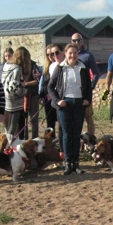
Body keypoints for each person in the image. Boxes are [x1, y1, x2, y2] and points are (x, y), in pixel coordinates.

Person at [48, 43, 92, 175]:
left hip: (79, 103)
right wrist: (58, 101)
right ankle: (68, 163)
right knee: (66, 134)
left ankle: (76, 163)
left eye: (75, 53)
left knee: (76, 134)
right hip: (65, 103)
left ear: (78, 53)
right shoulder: (60, 68)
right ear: (66, 54)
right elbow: (50, 87)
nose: (72, 56)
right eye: (70, 53)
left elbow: (89, 87)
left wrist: (87, 100)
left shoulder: (83, 67)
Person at [71, 33, 101, 137]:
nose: (76, 42)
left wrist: (91, 87)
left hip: (85, 92)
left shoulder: (88, 55)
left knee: (88, 117)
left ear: (82, 41)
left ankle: (91, 140)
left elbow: (96, 73)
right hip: (72, 92)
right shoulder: (68, 54)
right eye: (74, 40)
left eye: (78, 40)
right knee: (74, 118)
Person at [1, 47, 30, 137]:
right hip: (15, 100)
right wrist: (24, 91)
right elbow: (14, 87)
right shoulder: (17, 69)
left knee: (8, 124)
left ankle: (9, 140)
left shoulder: (6, 65)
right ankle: (9, 143)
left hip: (5, 96)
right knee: (13, 125)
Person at [40, 44, 63, 137]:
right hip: (48, 98)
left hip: (57, 97)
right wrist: (41, 95)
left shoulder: (59, 66)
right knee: (50, 122)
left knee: (60, 122)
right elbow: (44, 84)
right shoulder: (47, 68)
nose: (51, 56)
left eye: (53, 54)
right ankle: (51, 141)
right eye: (48, 55)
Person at [19, 49, 41, 139]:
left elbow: (37, 79)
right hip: (21, 95)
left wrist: (26, 83)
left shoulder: (33, 65)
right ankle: (24, 138)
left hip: (33, 95)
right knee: (23, 120)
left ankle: (35, 138)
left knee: (34, 119)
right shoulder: (17, 66)